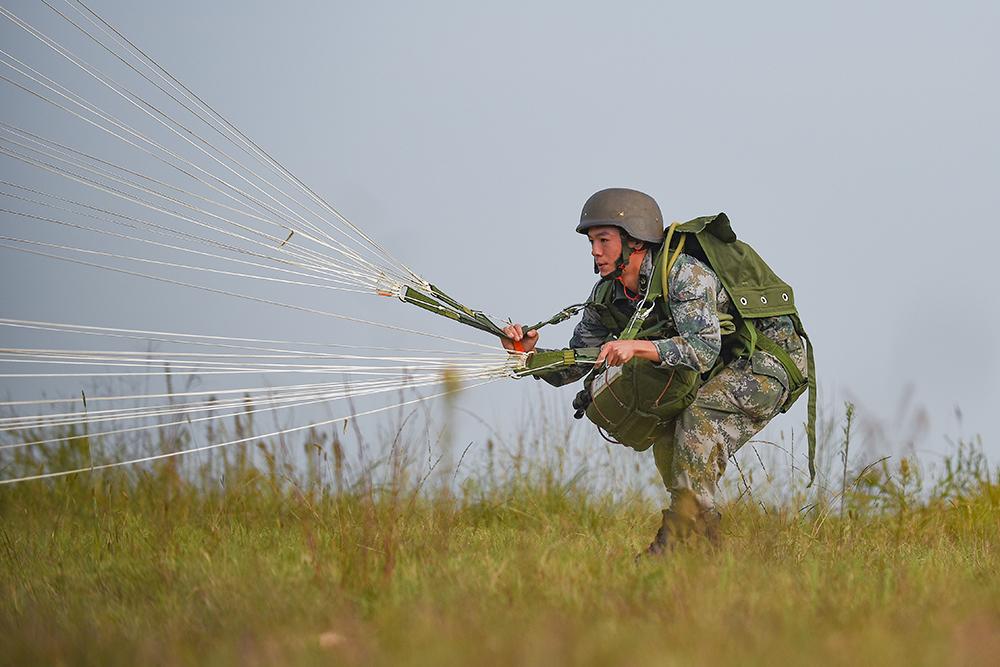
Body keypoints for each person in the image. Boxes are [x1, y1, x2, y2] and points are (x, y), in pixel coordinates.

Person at [500, 188, 809, 554]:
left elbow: (703, 349)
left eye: (603, 240)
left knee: (699, 416)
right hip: (724, 364)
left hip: (768, 362)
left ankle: (676, 541)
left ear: (636, 242)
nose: (595, 251)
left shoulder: (685, 275)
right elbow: (579, 361)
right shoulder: (607, 296)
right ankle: (703, 546)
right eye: (592, 242)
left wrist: (637, 347)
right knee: (666, 432)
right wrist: (529, 356)